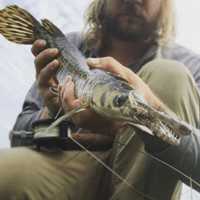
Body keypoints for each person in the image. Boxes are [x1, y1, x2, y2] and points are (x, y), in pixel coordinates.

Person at [0, 0, 200, 199]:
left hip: (150, 181)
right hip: (68, 169)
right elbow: (19, 136)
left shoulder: (191, 66)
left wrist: (153, 108)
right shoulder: (65, 47)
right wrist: (58, 120)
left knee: (171, 75)